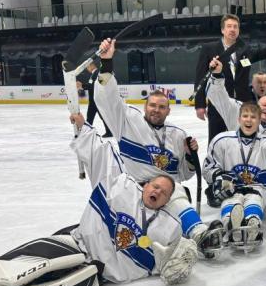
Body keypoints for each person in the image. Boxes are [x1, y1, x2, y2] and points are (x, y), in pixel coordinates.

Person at [0, 113, 207, 286]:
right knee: (47, 259)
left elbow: (167, 255)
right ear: (146, 185)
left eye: (163, 192)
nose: (157, 191)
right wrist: (84, 128)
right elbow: (100, 154)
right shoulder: (120, 186)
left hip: (98, 275)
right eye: (155, 186)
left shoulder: (165, 228)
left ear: (165, 201)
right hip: (77, 241)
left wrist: (179, 260)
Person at [93, 39, 220, 257]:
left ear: (168, 111)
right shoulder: (127, 121)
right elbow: (108, 99)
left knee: (177, 192)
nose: (156, 110)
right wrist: (106, 63)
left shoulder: (178, 135)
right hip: (135, 190)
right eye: (152, 105)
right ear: (145, 106)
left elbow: (183, 174)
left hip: (168, 191)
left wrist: (190, 158)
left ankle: (200, 234)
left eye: (162, 107)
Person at [202, 89, 266, 248]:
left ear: (260, 121)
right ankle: (229, 223)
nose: (249, 120)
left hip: (259, 189)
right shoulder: (222, 140)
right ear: (239, 119)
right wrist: (218, 176)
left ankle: (253, 224)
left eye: (253, 117)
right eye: (245, 116)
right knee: (231, 202)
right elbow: (208, 167)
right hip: (232, 189)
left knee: (255, 201)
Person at [194, 10, 266, 144]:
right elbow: (201, 76)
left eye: (235, 27)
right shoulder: (209, 49)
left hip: (243, 105)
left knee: (244, 143)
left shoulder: (245, 50)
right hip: (219, 104)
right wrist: (199, 104)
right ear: (222, 30)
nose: (233, 29)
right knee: (216, 142)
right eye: (229, 26)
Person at [77, 61, 112, 137]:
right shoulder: (94, 74)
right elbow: (91, 86)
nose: (87, 68)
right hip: (95, 100)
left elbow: (93, 87)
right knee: (93, 116)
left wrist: (81, 85)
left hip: (95, 100)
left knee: (92, 117)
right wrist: (82, 86)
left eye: (87, 66)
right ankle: (108, 132)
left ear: (91, 65)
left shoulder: (96, 73)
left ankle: (87, 132)